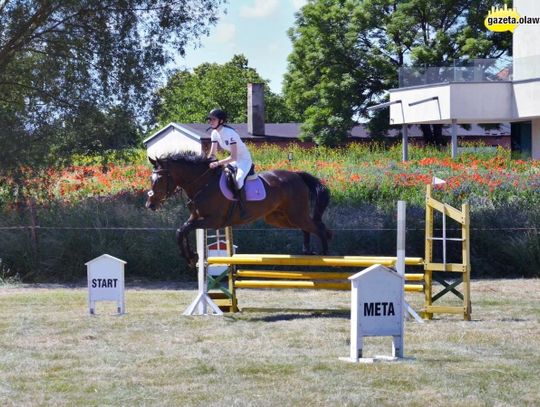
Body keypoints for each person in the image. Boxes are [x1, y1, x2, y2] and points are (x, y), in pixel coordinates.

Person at [206, 108, 253, 217]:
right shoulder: (214, 133)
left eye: (213, 119)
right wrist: (206, 162)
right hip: (234, 160)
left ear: (221, 121)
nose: (210, 122)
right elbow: (212, 154)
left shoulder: (230, 133)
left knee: (238, 179)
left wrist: (218, 163)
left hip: (243, 160)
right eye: (210, 120)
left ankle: (243, 208)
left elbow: (233, 157)